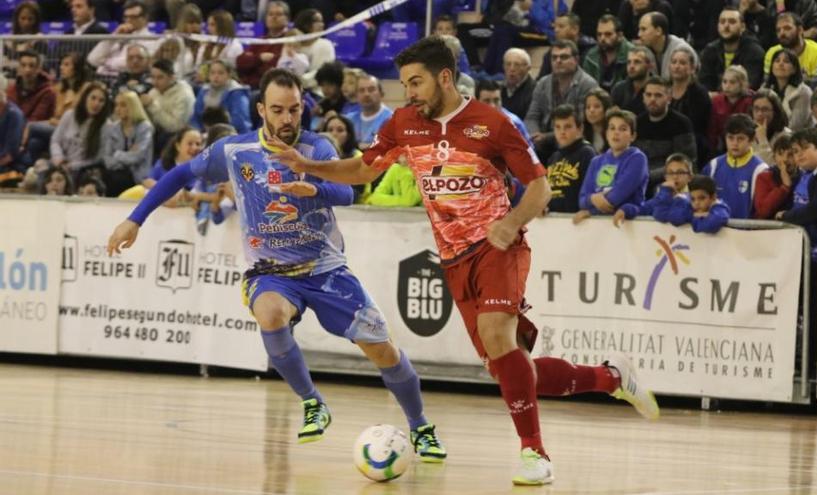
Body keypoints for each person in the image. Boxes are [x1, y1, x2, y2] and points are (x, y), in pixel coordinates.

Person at [268, 37, 658, 486]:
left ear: (445, 78)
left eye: (416, 82)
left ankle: (535, 455)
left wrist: (511, 224)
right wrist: (308, 167)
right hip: (453, 259)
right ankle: (611, 377)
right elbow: (364, 170)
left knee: (497, 337)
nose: (408, 92)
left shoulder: (495, 124)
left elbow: (540, 188)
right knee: (513, 368)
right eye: (405, 83)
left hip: (498, 247)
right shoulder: (403, 124)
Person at [107, 68, 448, 463]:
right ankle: (312, 402)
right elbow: (182, 174)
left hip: (325, 269)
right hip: (269, 271)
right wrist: (135, 219)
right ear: (261, 110)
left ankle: (421, 425)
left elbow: (347, 193)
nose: (287, 119)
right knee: (269, 314)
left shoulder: (317, 148)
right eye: (278, 110)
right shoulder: (235, 151)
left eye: (294, 110)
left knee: (383, 352)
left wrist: (314, 186)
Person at [525, 40, 598, 159]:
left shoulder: (588, 85)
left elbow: (582, 123)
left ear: (576, 60)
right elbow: (532, 116)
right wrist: (534, 135)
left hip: (575, 142)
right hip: (544, 142)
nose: (558, 61)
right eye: (554, 57)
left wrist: (546, 137)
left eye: (564, 57)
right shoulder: (543, 83)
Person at [573, 108, 649, 221]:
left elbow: (617, 197)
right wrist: (592, 198)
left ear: (633, 136)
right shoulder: (596, 162)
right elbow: (582, 200)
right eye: (612, 128)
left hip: (630, 223)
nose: (616, 132)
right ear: (607, 133)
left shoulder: (637, 158)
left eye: (622, 129)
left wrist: (591, 210)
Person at [778, 127, 817, 259]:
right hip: (803, 246)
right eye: (795, 151)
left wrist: (786, 216)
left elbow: (816, 210)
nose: (799, 155)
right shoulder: (803, 173)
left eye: (805, 148)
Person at [633, 76, 697, 194]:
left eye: (658, 95)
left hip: (669, 178)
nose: (652, 99)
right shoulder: (637, 122)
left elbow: (685, 160)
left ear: (669, 98)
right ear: (643, 97)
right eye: (648, 95)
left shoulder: (681, 123)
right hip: (640, 177)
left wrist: (645, 176)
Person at [702, 114, 770, 219]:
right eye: (730, 138)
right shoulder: (713, 166)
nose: (735, 143)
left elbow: (762, 211)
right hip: (714, 232)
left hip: (746, 233)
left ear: (751, 140)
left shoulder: (760, 170)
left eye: (740, 138)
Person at [613, 152, 692, 225]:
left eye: (680, 172)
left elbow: (665, 215)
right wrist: (625, 209)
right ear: (665, 177)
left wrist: (665, 191)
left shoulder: (695, 199)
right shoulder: (661, 197)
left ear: (690, 177)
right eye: (670, 173)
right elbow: (641, 209)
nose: (675, 177)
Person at [698, 7, 765, 92]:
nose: (726, 25)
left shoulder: (754, 51)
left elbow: (749, 86)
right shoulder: (710, 50)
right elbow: (704, 84)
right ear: (718, 26)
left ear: (743, 27)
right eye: (722, 22)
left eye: (732, 22)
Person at [544, 104, 596, 213]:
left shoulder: (586, 153)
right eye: (557, 127)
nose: (562, 132)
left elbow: (591, 189)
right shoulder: (553, 158)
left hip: (578, 219)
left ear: (580, 129)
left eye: (567, 126)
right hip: (554, 220)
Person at [102, 90, 154, 195]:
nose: (117, 109)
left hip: (138, 178)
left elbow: (137, 156)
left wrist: (117, 154)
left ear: (133, 107)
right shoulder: (112, 128)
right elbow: (107, 160)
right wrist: (127, 156)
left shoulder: (144, 128)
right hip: (116, 174)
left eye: (123, 105)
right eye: (116, 105)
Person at [763, 13, 817, 88]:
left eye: (787, 28)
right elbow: (769, 83)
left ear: (800, 30)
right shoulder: (772, 52)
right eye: (778, 30)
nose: (782, 33)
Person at [192, 59, 252, 134]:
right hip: (206, 133)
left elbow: (240, 122)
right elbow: (195, 116)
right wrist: (198, 132)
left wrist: (215, 132)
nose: (216, 76)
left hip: (231, 134)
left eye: (220, 73)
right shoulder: (204, 90)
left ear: (229, 75)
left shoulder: (237, 92)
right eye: (212, 73)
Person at [762, 48, 813, 131]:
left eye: (786, 61)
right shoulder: (765, 89)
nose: (781, 64)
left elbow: (795, 126)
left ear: (794, 69)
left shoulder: (804, 92)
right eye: (777, 61)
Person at [637, 12, 698, 80]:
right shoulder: (643, 50)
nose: (639, 34)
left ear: (658, 31)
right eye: (639, 29)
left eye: (643, 29)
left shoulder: (682, 50)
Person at [708, 65, 754, 154]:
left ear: (742, 84)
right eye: (724, 82)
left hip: (745, 145)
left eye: (732, 82)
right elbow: (712, 130)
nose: (727, 86)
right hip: (723, 146)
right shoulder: (716, 101)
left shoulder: (751, 101)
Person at [583, 14, 634, 92]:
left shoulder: (632, 54)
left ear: (620, 35)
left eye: (608, 34)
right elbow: (586, 88)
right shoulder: (591, 56)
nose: (602, 38)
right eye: (599, 34)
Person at [754, 132, 799, 219]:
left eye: (790, 155)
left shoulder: (804, 177)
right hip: (769, 230)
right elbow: (763, 211)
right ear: (774, 157)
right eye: (780, 154)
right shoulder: (764, 177)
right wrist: (784, 188)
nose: (785, 159)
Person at [345, 75, 393, 150]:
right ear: (356, 96)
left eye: (371, 89)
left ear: (381, 94)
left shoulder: (392, 119)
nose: (366, 94)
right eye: (361, 90)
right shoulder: (348, 120)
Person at [610, 46, 656, 116]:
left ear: (649, 65)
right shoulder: (619, 89)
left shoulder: (658, 89)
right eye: (629, 62)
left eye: (637, 62)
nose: (631, 66)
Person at [752, 89, 791, 165]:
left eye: (765, 109)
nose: (759, 114)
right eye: (756, 108)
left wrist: (763, 140)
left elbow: (773, 166)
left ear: (775, 112)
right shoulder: (748, 133)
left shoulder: (785, 135)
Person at [501, 48, 536, 119]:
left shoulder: (535, 90)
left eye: (517, 65)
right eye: (508, 64)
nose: (512, 69)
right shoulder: (498, 88)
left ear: (528, 68)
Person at [582, 88, 613, 152]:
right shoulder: (581, 134)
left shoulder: (614, 133)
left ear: (606, 109)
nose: (591, 110)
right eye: (588, 107)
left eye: (597, 106)